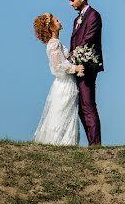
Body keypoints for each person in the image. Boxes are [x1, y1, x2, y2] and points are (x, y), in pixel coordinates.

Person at [32, 13, 85, 145]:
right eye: (56, 20)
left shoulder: (57, 43)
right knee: (62, 112)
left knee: (67, 111)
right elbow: (57, 66)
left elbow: (63, 59)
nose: (59, 21)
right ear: (51, 27)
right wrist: (75, 68)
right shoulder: (54, 44)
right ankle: (58, 142)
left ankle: (66, 142)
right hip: (64, 83)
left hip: (67, 82)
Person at [66, 0, 104, 146]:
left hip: (87, 66)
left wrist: (73, 56)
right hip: (76, 66)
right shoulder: (77, 19)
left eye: (72, 0)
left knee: (88, 104)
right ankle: (91, 142)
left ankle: (95, 144)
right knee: (81, 107)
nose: (70, 3)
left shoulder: (94, 15)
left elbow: (88, 39)